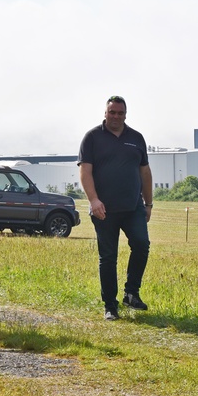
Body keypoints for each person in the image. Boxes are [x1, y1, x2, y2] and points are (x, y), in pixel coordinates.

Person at [78, 96, 153, 321]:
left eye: (120, 113)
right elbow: (85, 172)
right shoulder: (92, 138)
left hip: (133, 208)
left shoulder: (136, 138)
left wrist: (148, 204)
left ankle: (131, 293)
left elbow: (145, 173)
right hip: (104, 210)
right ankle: (110, 306)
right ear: (105, 113)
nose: (116, 117)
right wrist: (93, 200)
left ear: (125, 115)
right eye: (112, 112)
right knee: (108, 257)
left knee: (141, 245)